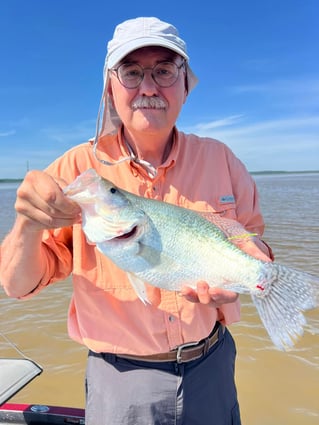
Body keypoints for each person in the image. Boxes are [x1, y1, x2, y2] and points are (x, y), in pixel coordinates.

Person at [0, 17, 273, 425]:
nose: (148, 87)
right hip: (120, 382)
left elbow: (253, 237)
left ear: (185, 85)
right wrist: (27, 224)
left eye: (164, 71)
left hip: (213, 367)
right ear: (111, 87)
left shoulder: (222, 158)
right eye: (131, 72)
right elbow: (16, 286)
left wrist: (256, 267)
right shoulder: (78, 170)